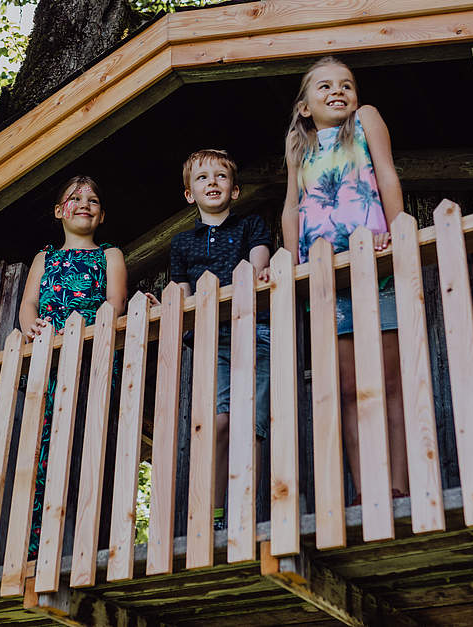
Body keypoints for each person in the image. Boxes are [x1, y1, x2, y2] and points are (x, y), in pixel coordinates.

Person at [281, 57, 408, 502]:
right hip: (324, 279)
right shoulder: (300, 147)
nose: (338, 91)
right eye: (325, 87)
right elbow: (292, 206)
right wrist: (292, 260)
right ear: (304, 107)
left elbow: (387, 175)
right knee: (349, 389)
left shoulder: (366, 119)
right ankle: (362, 488)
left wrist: (397, 233)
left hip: (375, 265)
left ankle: (398, 485)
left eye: (346, 84)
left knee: (390, 382)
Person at [18, 175, 127, 558]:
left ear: (101, 216)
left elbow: (115, 301)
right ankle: (35, 546)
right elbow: (28, 304)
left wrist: (89, 328)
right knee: (42, 447)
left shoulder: (109, 255)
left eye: (93, 200)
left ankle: (84, 542)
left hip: (92, 360)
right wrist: (31, 325)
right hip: (49, 363)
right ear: (58, 211)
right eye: (75, 197)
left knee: (87, 439)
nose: (84, 203)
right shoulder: (44, 258)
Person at [167, 149, 271, 530]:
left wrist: (256, 276)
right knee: (219, 424)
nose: (212, 182)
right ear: (189, 194)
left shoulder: (251, 225)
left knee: (252, 425)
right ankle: (215, 515)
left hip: (254, 330)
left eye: (220, 177)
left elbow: (258, 267)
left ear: (236, 190)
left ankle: (246, 511)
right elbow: (179, 292)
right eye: (202, 178)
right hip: (212, 342)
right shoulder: (181, 243)